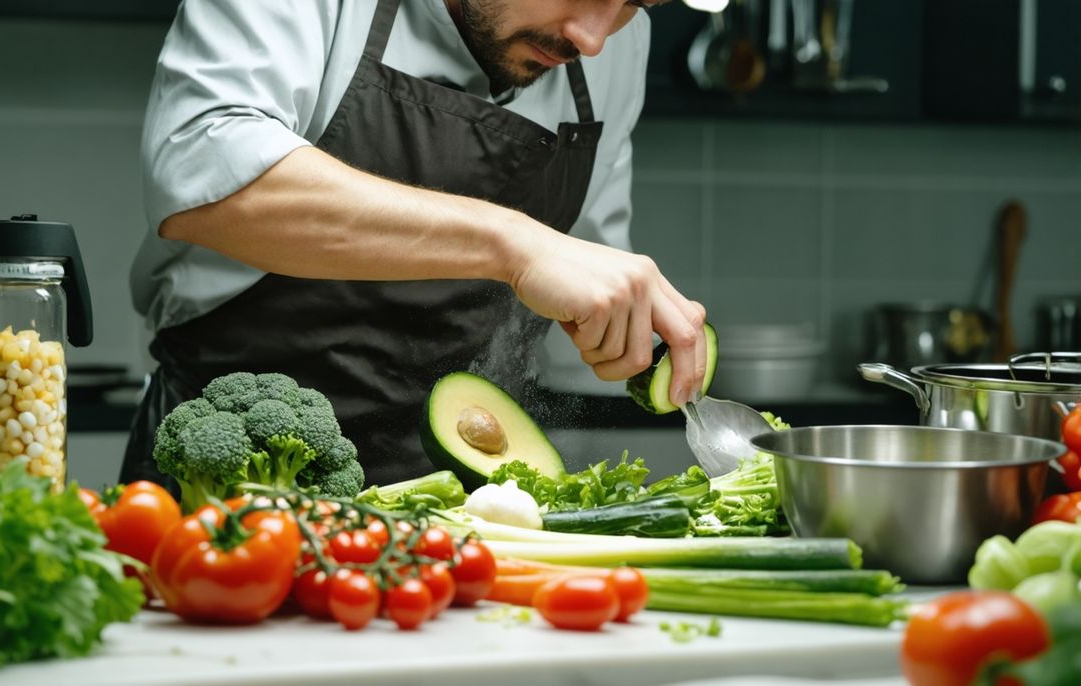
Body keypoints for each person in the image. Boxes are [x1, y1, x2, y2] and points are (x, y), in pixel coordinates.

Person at [121, 0, 709, 488]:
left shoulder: (615, 49)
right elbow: (200, 168)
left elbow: (588, 264)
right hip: (231, 484)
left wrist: (628, 332)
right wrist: (516, 244)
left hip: (468, 514)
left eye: (637, 3)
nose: (594, 38)